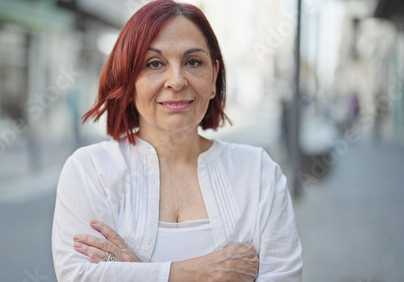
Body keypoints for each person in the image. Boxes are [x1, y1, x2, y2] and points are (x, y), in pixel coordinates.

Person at [51, 1, 303, 281]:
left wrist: (134, 271)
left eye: (193, 62)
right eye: (154, 63)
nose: (176, 80)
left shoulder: (259, 174)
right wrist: (200, 273)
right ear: (129, 78)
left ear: (214, 75)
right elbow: (80, 276)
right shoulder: (89, 172)